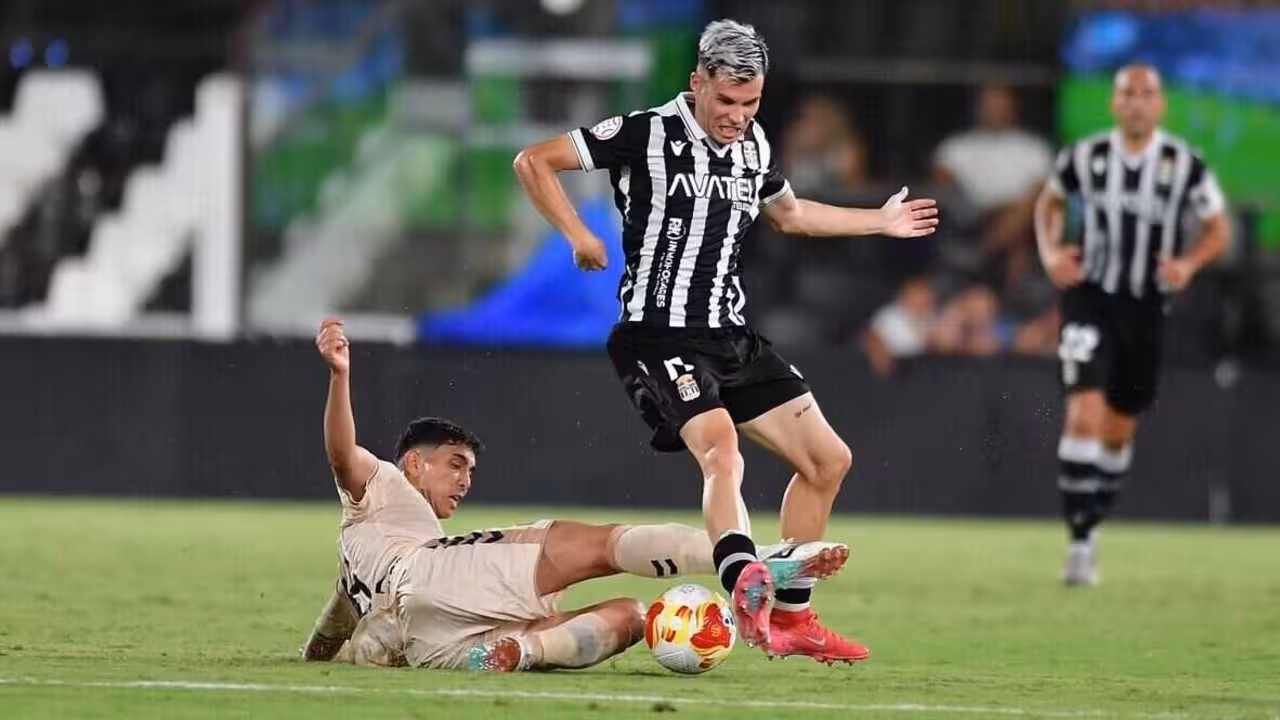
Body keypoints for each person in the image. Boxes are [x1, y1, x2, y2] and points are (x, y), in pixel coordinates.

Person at [512, 19, 938, 662]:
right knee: (722, 449)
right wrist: (577, 234)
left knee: (829, 461)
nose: (738, 116)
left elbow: (791, 214)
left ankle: (792, 618)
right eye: (727, 101)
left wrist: (878, 221)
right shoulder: (644, 132)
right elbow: (534, 160)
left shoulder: (754, 146)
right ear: (697, 82)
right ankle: (742, 576)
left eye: (751, 103)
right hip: (658, 334)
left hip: (731, 335)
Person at [302, 318, 848, 671]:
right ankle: (750, 559)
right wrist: (339, 376)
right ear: (414, 463)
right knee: (600, 545)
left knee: (633, 617)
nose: (465, 480)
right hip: (429, 576)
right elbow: (341, 451)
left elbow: (334, 619)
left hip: (427, 642)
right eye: (454, 464)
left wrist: (316, 655)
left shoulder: (358, 544)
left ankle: (518, 651)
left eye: (469, 469)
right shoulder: (385, 486)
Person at [1033, 65, 1229, 585]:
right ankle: (1078, 544)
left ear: (1160, 105)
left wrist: (1187, 264)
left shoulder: (1185, 164)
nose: (1137, 103)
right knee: (1084, 414)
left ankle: (1091, 528)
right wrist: (1051, 253)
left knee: (1118, 431)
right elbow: (1048, 203)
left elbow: (1218, 228)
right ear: (1114, 104)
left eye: (1147, 94)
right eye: (1128, 94)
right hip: (1089, 300)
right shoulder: (1085, 156)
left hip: (1145, 308)